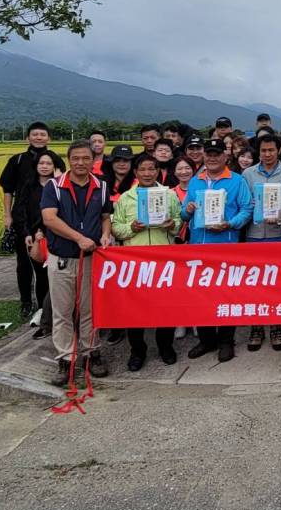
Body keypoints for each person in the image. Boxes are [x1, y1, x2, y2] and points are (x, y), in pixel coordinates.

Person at [40, 140, 112, 386]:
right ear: (69, 160)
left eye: (86, 158)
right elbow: (49, 219)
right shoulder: (54, 186)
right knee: (62, 312)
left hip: (91, 259)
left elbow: (105, 216)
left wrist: (105, 234)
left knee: (90, 310)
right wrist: (78, 238)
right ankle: (65, 359)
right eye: (76, 158)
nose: (81, 163)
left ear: (94, 160)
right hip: (61, 258)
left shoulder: (101, 186)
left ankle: (92, 353)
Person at [181, 138, 254, 363]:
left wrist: (230, 224)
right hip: (198, 247)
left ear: (225, 156)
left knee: (226, 295)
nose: (212, 158)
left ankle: (225, 341)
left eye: (217, 154)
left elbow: (247, 208)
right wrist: (188, 209)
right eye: (209, 154)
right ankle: (206, 340)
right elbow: (183, 214)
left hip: (225, 246)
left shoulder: (237, 180)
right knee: (201, 295)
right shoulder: (195, 181)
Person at [111, 153, 182, 371]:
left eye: (152, 169)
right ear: (135, 172)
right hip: (136, 261)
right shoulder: (126, 198)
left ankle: (165, 346)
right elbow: (116, 228)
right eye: (142, 169)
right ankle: (137, 350)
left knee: (166, 306)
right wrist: (131, 228)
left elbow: (179, 221)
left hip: (164, 259)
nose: (147, 173)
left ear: (158, 171)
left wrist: (172, 225)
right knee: (135, 308)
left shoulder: (169, 195)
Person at [0, 122, 66, 320]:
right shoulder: (17, 160)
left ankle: (47, 306)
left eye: (42, 134)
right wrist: (7, 215)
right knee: (24, 264)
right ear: (27, 137)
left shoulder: (56, 161)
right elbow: (8, 190)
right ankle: (26, 302)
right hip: (24, 218)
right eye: (35, 134)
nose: (38, 137)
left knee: (48, 265)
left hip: (50, 222)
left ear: (49, 138)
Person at [243, 134, 281, 351]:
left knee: (277, 283)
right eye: (263, 151)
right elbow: (246, 202)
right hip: (254, 234)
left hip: (278, 233)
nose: (267, 154)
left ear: (279, 150)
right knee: (255, 284)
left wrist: (277, 212)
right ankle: (256, 327)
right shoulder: (248, 174)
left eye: (271, 150)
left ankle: (276, 327)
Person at [12, 152, 57, 340]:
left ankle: (55, 314)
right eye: (41, 163)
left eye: (49, 163)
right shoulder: (28, 186)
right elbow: (20, 211)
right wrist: (27, 234)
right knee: (41, 276)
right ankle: (42, 312)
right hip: (35, 237)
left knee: (57, 276)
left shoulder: (59, 186)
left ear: (55, 166)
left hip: (55, 236)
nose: (44, 166)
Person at [171, 157, 194, 244]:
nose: (184, 172)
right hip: (175, 237)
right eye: (179, 169)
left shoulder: (199, 192)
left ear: (193, 170)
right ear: (174, 172)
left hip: (195, 236)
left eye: (187, 168)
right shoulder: (170, 193)